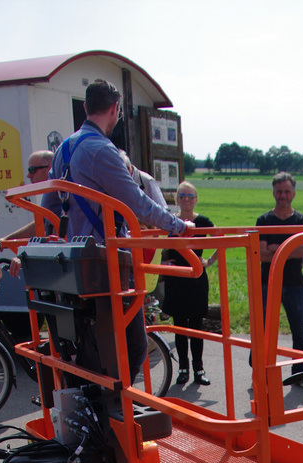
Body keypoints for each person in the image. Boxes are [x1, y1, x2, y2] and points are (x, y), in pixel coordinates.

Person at [41, 79, 193, 381]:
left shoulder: (63, 150)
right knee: (134, 347)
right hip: (106, 265)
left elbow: (49, 206)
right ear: (115, 109)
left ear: (86, 107)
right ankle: (109, 405)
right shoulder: (102, 150)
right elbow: (137, 202)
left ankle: (93, 402)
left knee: (89, 345)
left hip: (73, 265)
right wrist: (178, 226)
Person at [256, 172, 303, 386]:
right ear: (273, 192)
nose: (283, 195)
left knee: (300, 331)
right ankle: (260, 374)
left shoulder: (301, 220)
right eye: (279, 191)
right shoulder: (264, 220)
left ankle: (301, 372)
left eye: (287, 191)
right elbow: (260, 254)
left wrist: (274, 248)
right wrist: (289, 248)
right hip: (267, 283)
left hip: (295, 283)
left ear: (294, 194)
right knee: (264, 331)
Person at [160, 181, 216, 386]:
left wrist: (209, 261)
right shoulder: (170, 221)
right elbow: (158, 244)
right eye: (182, 196)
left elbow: (222, 239)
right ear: (177, 199)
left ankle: (199, 369)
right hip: (176, 278)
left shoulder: (203, 221)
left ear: (196, 199)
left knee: (196, 327)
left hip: (196, 278)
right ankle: (183, 369)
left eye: (190, 196)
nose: (186, 200)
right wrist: (162, 263)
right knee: (180, 327)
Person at [0, 151, 53, 276]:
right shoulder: (51, 193)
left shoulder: (58, 194)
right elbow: (42, 223)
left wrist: (25, 256)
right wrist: (6, 240)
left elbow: (56, 233)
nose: (28, 175)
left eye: (32, 170)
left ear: (49, 169)